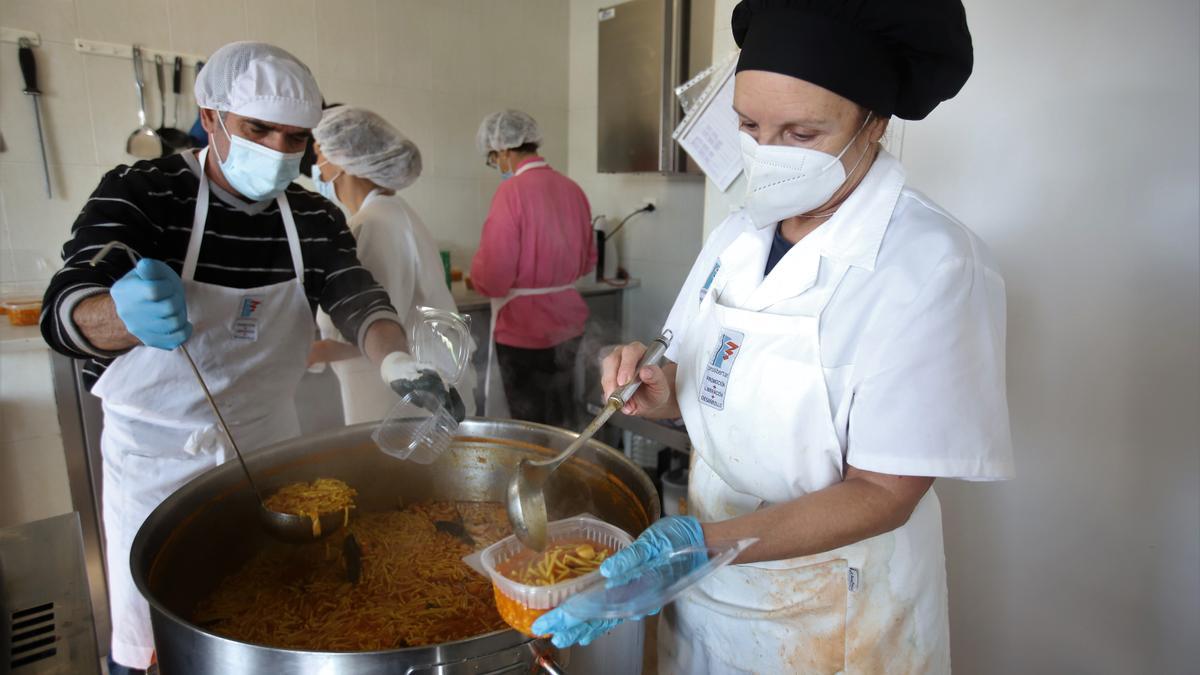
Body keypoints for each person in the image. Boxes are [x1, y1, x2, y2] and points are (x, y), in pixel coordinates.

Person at [533, 1, 1015, 672]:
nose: (766, 152)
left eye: (802, 132)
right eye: (749, 125)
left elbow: (884, 491)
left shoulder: (930, 261)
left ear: (872, 124)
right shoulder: (740, 233)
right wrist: (654, 386)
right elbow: (701, 380)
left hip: (835, 615)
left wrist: (703, 543)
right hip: (706, 592)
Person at [39, 42, 452, 675]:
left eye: (296, 137)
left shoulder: (313, 216)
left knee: (275, 621)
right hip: (156, 465)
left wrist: (394, 360)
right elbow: (65, 308)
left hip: (270, 459)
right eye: (260, 130)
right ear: (211, 117)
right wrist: (117, 314)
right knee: (158, 642)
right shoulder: (145, 193)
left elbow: (356, 296)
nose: (281, 152)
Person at [308, 106, 475, 424]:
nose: (316, 168)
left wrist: (309, 353)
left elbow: (375, 327)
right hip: (405, 397)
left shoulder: (375, 223)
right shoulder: (393, 212)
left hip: (396, 404)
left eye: (319, 156)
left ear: (343, 162)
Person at [470, 109, 596, 426]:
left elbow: (494, 276)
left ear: (504, 151)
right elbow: (587, 261)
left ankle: (535, 473)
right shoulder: (572, 189)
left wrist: (478, 279)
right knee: (562, 414)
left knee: (530, 423)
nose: (497, 165)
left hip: (523, 329)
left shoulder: (511, 192)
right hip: (569, 323)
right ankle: (565, 470)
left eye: (494, 158)